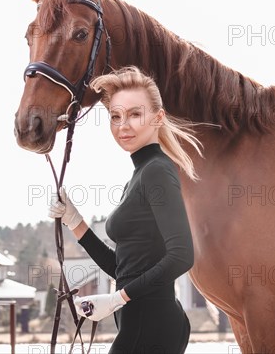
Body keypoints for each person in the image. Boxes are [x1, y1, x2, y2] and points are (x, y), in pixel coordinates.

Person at [48, 66, 203, 353]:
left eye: (135, 114)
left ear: (158, 118)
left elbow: (182, 255)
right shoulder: (140, 174)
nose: (123, 125)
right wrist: (75, 221)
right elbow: (123, 267)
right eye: (115, 117)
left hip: (151, 322)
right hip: (141, 321)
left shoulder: (156, 172)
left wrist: (119, 298)